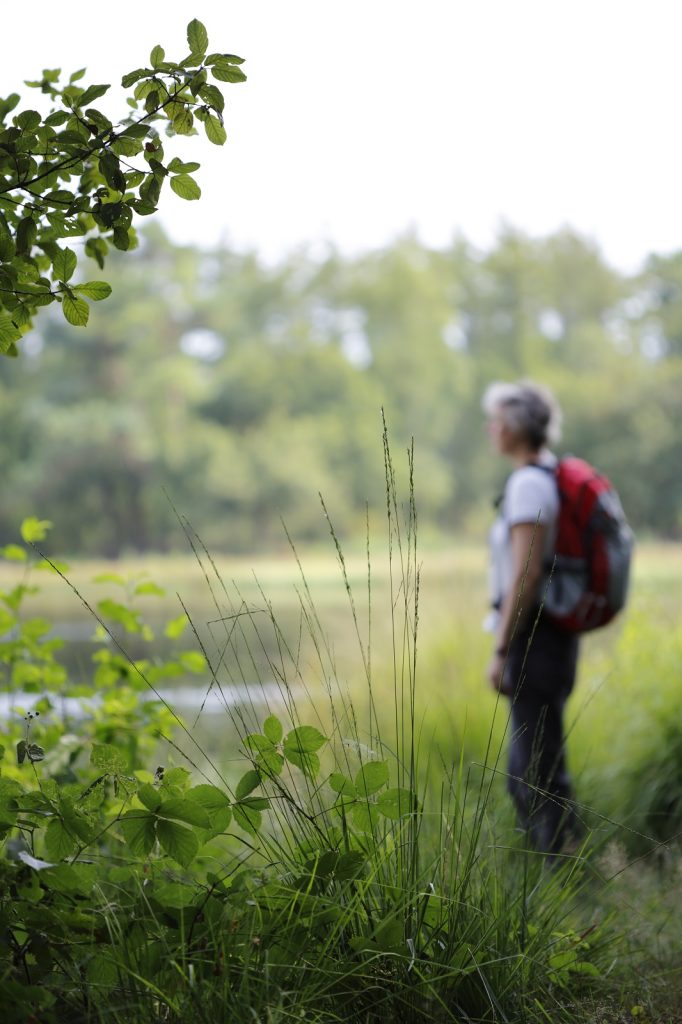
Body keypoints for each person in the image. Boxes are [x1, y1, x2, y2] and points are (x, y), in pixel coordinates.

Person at [483, 380, 579, 856]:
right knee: (532, 769)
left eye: (497, 419)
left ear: (517, 427)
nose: (490, 428)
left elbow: (525, 576)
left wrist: (502, 649)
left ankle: (562, 877)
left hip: (534, 639)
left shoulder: (527, 484)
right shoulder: (547, 474)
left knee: (535, 775)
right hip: (549, 637)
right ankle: (558, 871)